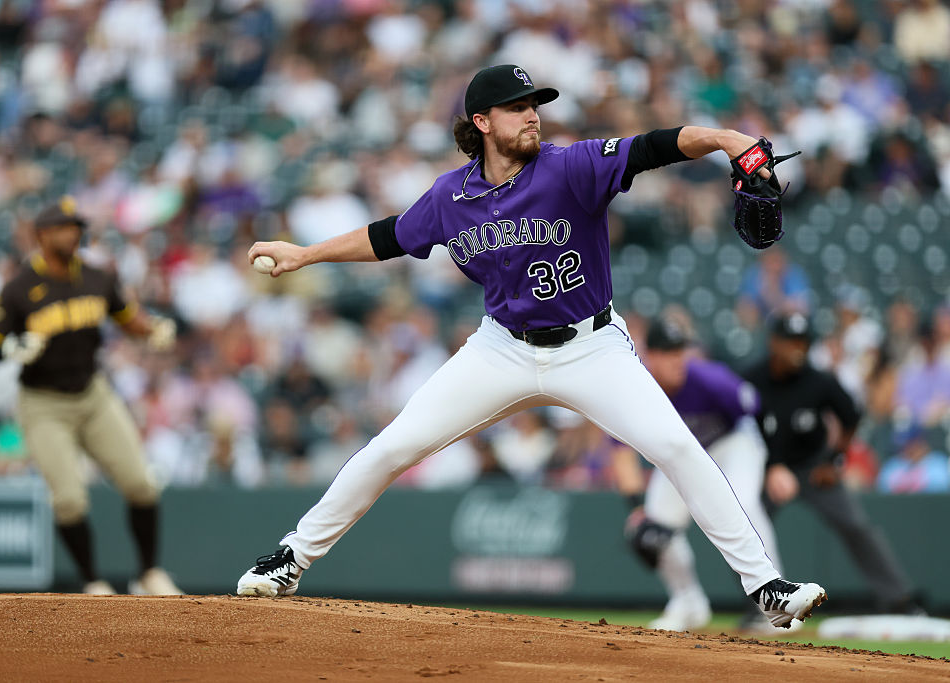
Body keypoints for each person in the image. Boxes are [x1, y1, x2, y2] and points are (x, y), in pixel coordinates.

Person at [237, 65, 826, 628]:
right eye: (517, 108)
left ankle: (764, 586)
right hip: (502, 350)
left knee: (676, 445)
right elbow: (389, 236)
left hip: (591, 347)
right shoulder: (451, 197)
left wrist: (726, 137)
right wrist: (305, 253)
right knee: (393, 446)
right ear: (482, 122)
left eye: (535, 106)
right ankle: (290, 558)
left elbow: (657, 145)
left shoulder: (570, 167)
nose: (533, 117)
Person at [0, 197, 183, 596]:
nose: (72, 234)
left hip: (93, 395)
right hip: (44, 404)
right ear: (42, 235)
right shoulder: (20, 288)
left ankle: (148, 573)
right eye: (62, 227)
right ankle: (93, 581)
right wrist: (11, 347)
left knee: (141, 484)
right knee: (69, 501)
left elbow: (127, 317)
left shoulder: (96, 277)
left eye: (75, 226)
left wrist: (153, 329)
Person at [744, 312, 920, 614]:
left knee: (857, 526)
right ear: (774, 343)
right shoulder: (751, 379)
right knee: (744, 530)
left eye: (803, 343)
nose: (797, 349)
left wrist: (834, 461)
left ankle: (899, 598)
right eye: (790, 342)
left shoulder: (819, 381)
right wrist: (763, 468)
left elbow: (851, 417)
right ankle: (761, 606)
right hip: (766, 470)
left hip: (813, 468)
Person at [619, 317, 785, 632]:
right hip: (685, 453)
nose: (677, 359)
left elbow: (760, 413)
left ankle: (774, 602)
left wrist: (775, 465)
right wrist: (635, 508)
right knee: (655, 527)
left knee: (745, 506)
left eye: (680, 350)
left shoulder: (710, 379)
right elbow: (620, 452)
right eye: (668, 352)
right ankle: (687, 602)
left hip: (733, 445)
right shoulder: (636, 389)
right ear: (649, 355)